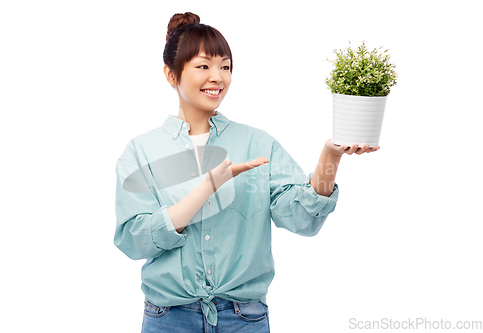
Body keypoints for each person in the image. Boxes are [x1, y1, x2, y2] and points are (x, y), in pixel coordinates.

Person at [114, 12, 380, 333]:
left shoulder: (256, 143)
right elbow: (134, 240)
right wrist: (208, 187)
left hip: (243, 319)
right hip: (169, 318)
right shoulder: (142, 151)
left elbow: (302, 218)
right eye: (203, 66)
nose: (217, 77)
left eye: (225, 66)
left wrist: (331, 155)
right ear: (172, 75)